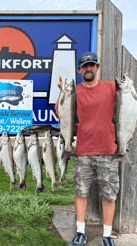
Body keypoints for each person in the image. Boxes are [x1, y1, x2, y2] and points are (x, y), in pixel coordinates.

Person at [55, 52, 120, 246]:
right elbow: (60, 112)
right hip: (82, 151)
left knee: (109, 194)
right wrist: (62, 92)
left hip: (109, 150)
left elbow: (129, 107)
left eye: (92, 65)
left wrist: (129, 129)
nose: (88, 68)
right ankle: (80, 232)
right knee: (80, 192)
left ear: (97, 67)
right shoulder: (73, 91)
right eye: (85, 66)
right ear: (79, 70)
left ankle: (107, 235)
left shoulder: (112, 87)